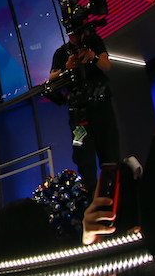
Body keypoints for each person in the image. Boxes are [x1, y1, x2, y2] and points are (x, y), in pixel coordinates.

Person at [49, 24, 119, 185]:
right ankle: (90, 193)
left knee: (110, 153)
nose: (76, 38)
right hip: (78, 114)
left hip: (101, 106)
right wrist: (66, 69)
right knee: (84, 158)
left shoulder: (94, 42)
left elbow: (107, 65)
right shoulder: (61, 53)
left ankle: (114, 192)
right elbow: (51, 80)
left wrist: (92, 57)